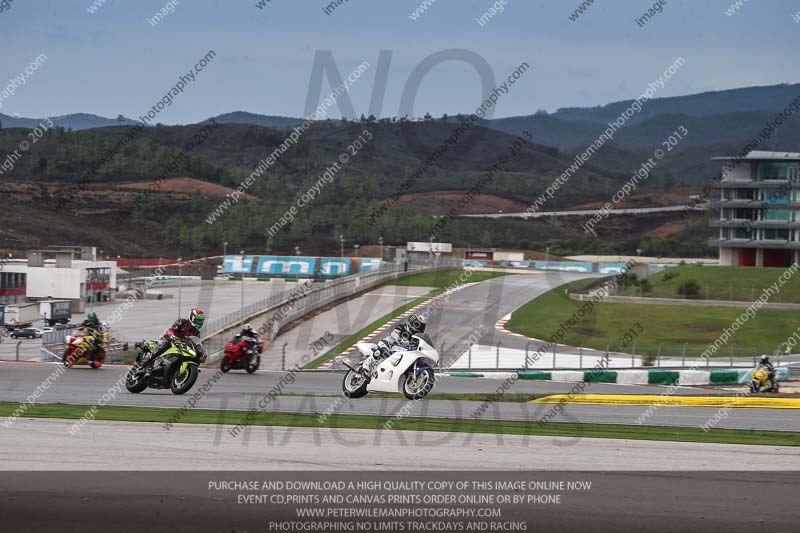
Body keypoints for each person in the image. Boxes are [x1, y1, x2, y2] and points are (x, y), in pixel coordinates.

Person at [145, 308, 205, 377]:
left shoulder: (197, 332)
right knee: (164, 346)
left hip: (181, 346)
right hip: (170, 339)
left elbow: (195, 343)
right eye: (198, 320)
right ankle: (147, 364)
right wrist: (172, 335)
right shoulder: (182, 322)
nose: (199, 323)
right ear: (192, 318)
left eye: (201, 321)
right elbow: (171, 330)